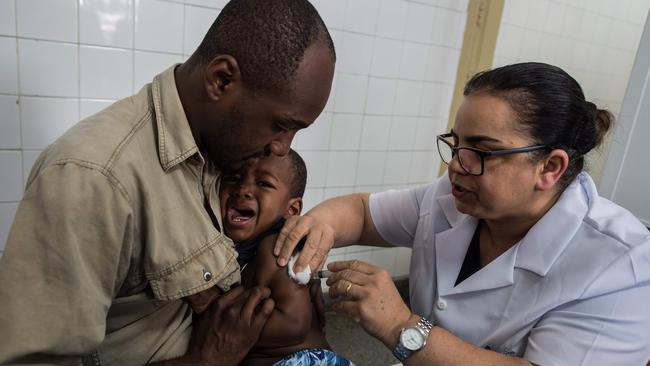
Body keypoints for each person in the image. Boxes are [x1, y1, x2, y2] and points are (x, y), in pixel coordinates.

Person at [0, 0, 335, 364]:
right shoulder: (93, 179)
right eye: (280, 125)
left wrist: (295, 258)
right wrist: (204, 361)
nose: (281, 148)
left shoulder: (220, 149)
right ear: (221, 80)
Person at [273, 62, 650, 365]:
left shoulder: (621, 265)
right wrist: (318, 227)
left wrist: (401, 326)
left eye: (482, 151)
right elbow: (362, 213)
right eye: (456, 144)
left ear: (550, 167)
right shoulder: (456, 196)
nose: (456, 166)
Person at [217, 150, 353, 366]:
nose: (242, 190)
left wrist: (225, 324)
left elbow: (293, 324)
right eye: (234, 178)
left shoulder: (276, 247)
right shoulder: (239, 247)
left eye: (263, 183)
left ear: (291, 209)